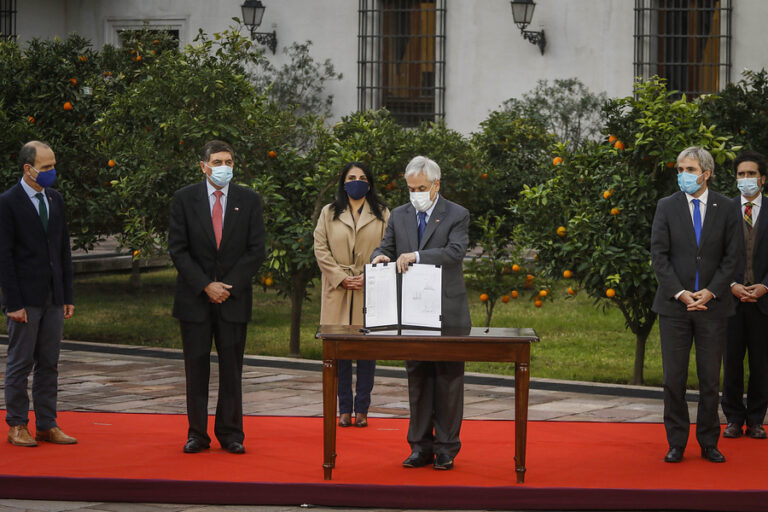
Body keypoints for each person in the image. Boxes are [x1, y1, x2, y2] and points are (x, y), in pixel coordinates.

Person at [371, 155, 471, 471]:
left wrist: (416, 256)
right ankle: (419, 447)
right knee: (418, 380)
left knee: (448, 381)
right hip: (412, 312)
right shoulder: (399, 215)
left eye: (421, 188)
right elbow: (385, 247)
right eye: (411, 188)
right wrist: (379, 257)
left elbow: (455, 252)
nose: (415, 193)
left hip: (448, 312)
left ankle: (446, 449)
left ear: (436, 185)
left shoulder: (457, 214)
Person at [168, 140, 266, 454]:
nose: (224, 167)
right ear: (204, 166)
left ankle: (231, 433)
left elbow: (256, 250)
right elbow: (178, 249)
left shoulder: (249, 200)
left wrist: (227, 286)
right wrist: (205, 285)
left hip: (233, 299)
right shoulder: (184, 199)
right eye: (217, 161)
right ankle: (197, 434)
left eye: (229, 162)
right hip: (194, 299)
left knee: (231, 370)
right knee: (196, 369)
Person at [650, 146, 739, 464]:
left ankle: (708, 442)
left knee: (710, 380)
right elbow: (659, 255)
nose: (683, 175)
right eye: (680, 169)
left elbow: (732, 256)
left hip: (713, 307)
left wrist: (711, 292)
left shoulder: (726, 207)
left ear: (706, 173)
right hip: (674, 307)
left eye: (689, 169)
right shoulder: (666, 206)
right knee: (673, 379)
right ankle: (676, 442)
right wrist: (680, 292)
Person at [0, 141, 77, 447]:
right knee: (21, 362)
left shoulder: (55, 199)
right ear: (28, 169)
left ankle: (47, 424)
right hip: (25, 299)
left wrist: (67, 294)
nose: (51, 171)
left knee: (49, 362)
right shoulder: (8, 202)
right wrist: (13, 303)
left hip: (53, 296)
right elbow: (4, 257)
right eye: (46, 167)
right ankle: (17, 424)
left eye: (53, 165)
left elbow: (63, 249)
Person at [314, 162, 390, 428]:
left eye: (362, 177)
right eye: (351, 177)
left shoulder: (382, 213)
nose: (356, 181)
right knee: (340, 352)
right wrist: (340, 277)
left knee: (367, 352)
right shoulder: (329, 212)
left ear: (369, 183)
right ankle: (344, 408)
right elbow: (320, 248)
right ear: (343, 182)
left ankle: (362, 409)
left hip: (370, 288)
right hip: (337, 289)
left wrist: (370, 275)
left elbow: (389, 247)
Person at [721, 150, 768, 440]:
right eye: (741, 174)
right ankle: (734, 418)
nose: (746, 179)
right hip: (731, 300)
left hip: (764, 300)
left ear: (763, 179)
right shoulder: (722, 211)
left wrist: (765, 286)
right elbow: (713, 254)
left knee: (761, 364)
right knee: (732, 362)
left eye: (751, 174)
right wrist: (731, 285)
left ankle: (756, 420)